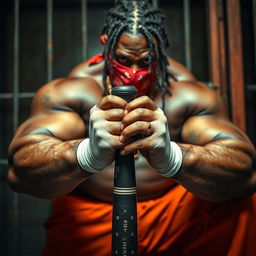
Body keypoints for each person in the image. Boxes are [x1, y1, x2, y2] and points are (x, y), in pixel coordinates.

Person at [7, 1, 256, 255]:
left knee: (241, 202)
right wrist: (85, 154)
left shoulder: (184, 94)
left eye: (146, 61)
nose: (133, 74)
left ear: (159, 53)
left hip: (173, 217)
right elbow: (20, 171)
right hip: (95, 217)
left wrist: (175, 157)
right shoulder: (75, 92)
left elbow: (245, 174)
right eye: (123, 60)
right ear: (107, 46)